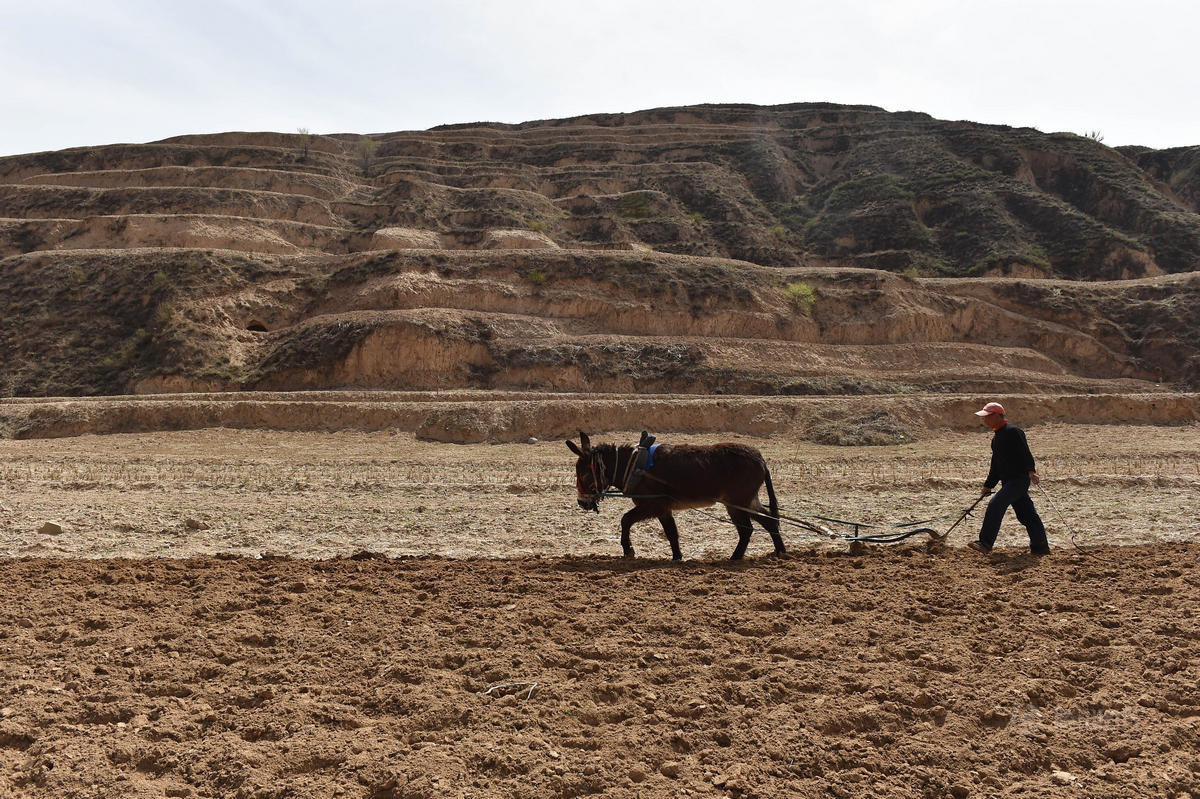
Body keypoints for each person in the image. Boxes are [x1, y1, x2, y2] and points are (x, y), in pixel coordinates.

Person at [968, 402, 1050, 556]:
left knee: (995, 504)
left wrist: (1031, 471)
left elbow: (1025, 452)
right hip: (1008, 482)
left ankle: (985, 543)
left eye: (987, 417)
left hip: (1018, 480)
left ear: (998, 416)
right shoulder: (996, 438)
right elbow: (996, 464)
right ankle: (1040, 547)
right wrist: (989, 485)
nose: (985, 421)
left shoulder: (1013, 431)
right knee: (1027, 514)